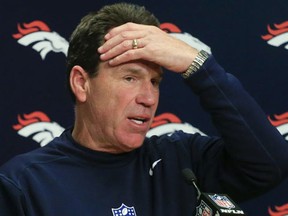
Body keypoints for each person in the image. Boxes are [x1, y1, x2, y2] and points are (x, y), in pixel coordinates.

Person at [0, 2, 288, 216]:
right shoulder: (24, 184)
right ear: (81, 83)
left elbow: (270, 164)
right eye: (130, 78)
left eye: (155, 81)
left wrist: (199, 67)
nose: (149, 98)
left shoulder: (182, 162)